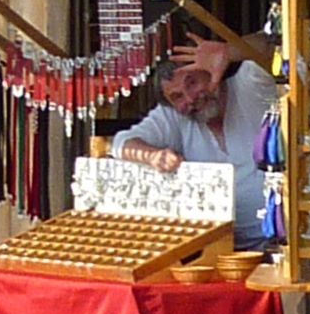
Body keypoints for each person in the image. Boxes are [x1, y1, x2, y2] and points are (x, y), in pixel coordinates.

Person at [111, 33, 276, 248]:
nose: (190, 98)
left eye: (193, 82)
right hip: (222, 250)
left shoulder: (248, 85)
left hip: (285, 240)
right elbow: (121, 143)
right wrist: (152, 156)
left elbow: (271, 46)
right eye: (177, 96)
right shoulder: (176, 117)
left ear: (211, 69)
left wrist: (228, 52)